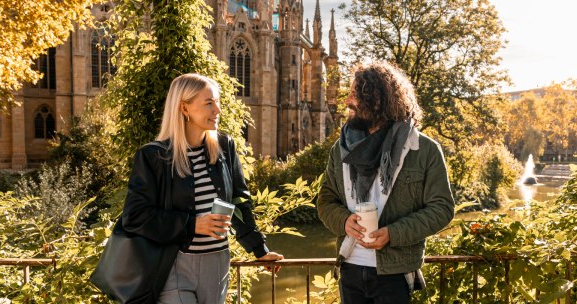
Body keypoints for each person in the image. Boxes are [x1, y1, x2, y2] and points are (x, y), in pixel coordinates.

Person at [121, 73, 283, 304]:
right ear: (184, 108)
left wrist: (259, 249)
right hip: (173, 265)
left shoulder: (225, 147)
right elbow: (134, 217)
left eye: (217, 102)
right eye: (209, 103)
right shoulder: (153, 156)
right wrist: (193, 224)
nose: (217, 110)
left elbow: (239, 203)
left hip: (217, 264)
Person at [316, 61, 455, 303]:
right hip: (349, 267)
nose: (348, 101)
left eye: (355, 94)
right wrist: (344, 221)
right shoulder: (342, 148)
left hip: (395, 272)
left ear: (377, 100)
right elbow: (326, 200)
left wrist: (393, 233)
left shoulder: (424, 149)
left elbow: (442, 209)